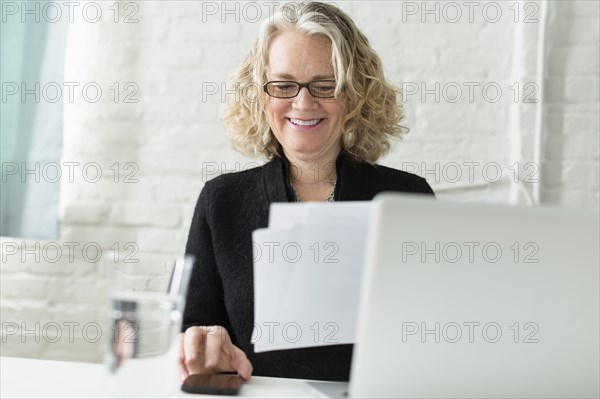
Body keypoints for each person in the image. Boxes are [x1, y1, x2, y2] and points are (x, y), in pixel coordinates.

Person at [179, 1, 434, 382]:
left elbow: (434, 333)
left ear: (354, 94)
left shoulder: (407, 199)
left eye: (325, 85)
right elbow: (190, 331)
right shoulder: (222, 201)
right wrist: (203, 344)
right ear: (262, 96)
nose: (303, 102)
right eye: (283, 85)